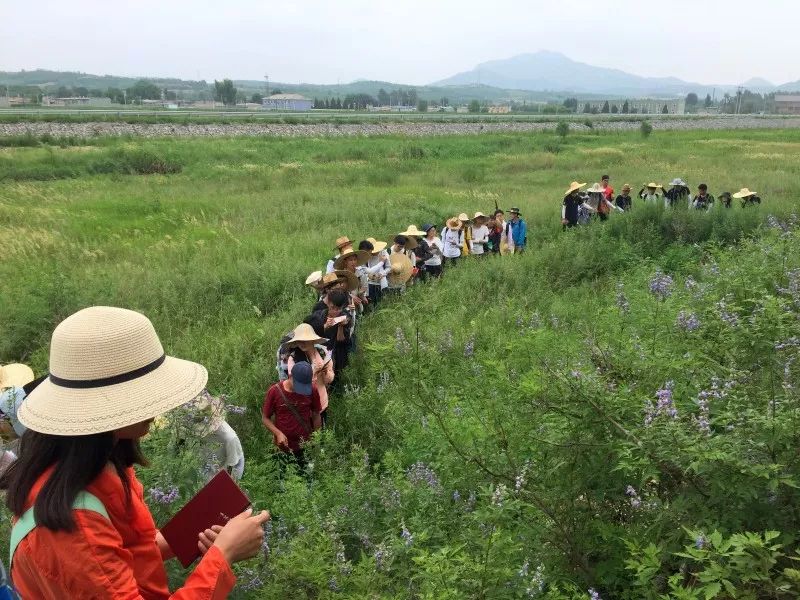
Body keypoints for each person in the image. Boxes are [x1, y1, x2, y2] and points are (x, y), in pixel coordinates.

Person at [0, 306, 269, 598]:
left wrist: (197, 535)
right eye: (141, 392)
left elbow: (126, 551)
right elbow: (99, 559)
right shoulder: (73, 528)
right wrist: (222, 555)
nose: (157, 403)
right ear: (103, 407)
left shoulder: (98, 462)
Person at [261, 361, 322, 468]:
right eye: (299, 385)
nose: (302, 390)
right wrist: (278, 433)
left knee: (306, 479)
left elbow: (316, 415)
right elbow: (265, 418)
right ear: (290, 376)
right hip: (282, 447)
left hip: (305, 445)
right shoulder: (275, 391)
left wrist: (316, 440)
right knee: (283, 480)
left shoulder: (312, 390)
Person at [284, 324, 334, 424]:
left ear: (312, 340)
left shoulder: (322, 352)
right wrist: (313, 371)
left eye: (305, 340)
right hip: (304, 405)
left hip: (321, 401)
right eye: (299, 340)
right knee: (308, 434)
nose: (301, 343)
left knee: (321, 431)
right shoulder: (293, 359)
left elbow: (330, 378)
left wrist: (327, 373)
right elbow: (294, 385)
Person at [305, 289, 352, 376]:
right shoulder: (319, 315)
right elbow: (310, 333)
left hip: (337, 353)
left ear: (343, 307)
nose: (335, 311)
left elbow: (341, 340)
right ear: (328, 303)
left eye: (338, 309)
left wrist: (341, 326)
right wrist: (324, 326)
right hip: (319, 351)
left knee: (335, 377)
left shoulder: (345, 317)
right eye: (332, 307)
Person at [364, 237, 390, 306]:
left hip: (382, 281)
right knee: (371, 303)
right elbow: (365, 270)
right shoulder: (364, 257)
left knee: (382, 303)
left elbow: (389, 267)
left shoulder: (383, 253)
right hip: (369, 283)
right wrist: (369, 276)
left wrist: (382, 273)